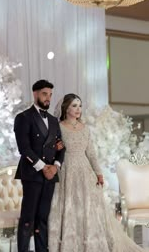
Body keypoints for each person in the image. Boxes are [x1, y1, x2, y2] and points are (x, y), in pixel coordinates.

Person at [48, 93, 147, 252]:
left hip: (85, 171)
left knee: (87, 207)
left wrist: (99, 173)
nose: (78, 109)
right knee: (69, 206)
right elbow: (50, 150)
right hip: (66, 171)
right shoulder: (58, 127)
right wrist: (55, 150)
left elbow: (91, 153)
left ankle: (91, 244)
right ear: (66, 108)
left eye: (80, 106)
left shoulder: (85, 128)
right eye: (74, 105)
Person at [14, 79, 65, 252]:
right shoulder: (23, 118)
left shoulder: (53, 120)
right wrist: (43, 167)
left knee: (43, 217)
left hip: (51, 175)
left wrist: (56, 165)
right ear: (35, 93)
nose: (48, 98)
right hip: (33, 174)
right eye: (44, 94)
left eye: (50, 94)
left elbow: (61, 146)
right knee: (28, 218)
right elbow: (24, 148)